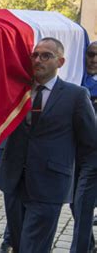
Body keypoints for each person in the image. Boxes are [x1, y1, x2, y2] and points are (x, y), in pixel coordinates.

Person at [0, 37, 97, 252]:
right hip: (13, 182)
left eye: (46, 55)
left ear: (60, 62)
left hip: (50, 185)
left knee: (34, 247)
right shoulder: (16, 90)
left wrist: (83, 186)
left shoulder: (76, 96)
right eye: (35, 55)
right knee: (19, 244)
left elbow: (91, 147)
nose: (38, 60)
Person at [70, 41, 97, 253]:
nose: (94, 59)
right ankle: (89, 244)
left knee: (83, 205)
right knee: (74, 203)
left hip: (94, 157)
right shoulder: (76, 80)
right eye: (90, 54)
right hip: (74, 153)